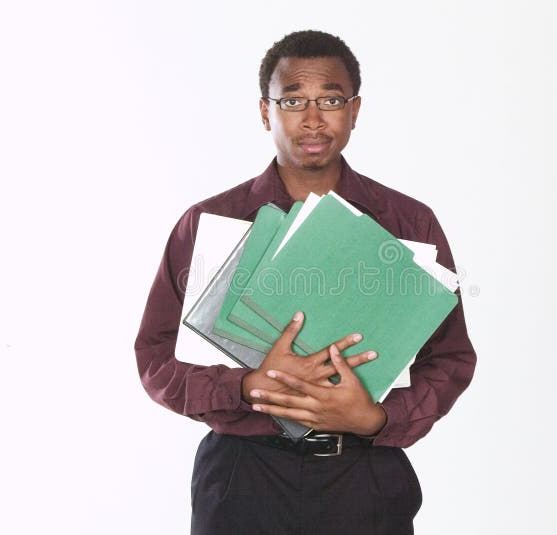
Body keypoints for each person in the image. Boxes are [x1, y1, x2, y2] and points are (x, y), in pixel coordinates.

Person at [135, 30, 476, 535]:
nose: (312, 118)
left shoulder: (408, 223)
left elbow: (450, 359)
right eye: (292, 100)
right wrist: (247, 386)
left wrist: (375, 420)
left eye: (330, 100)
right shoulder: (210, 222)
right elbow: (156, 358)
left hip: (363, 475)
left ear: (355, 111)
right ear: (265, 111)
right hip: (242, 477)